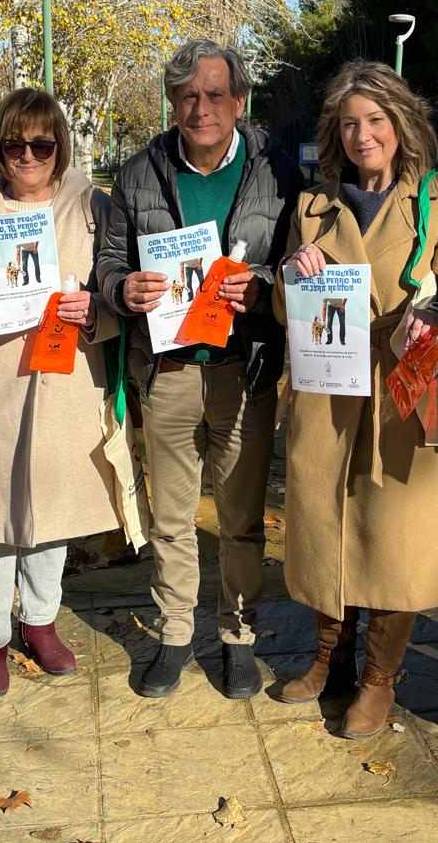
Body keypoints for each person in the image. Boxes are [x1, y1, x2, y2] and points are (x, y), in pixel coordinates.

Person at [274, 61, 438, 737]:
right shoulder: (311, 207)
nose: (364, 135)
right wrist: (290, 275)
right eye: (350, 123)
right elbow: (282, 309)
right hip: (327, 387)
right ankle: (328, 659)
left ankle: (379, 679)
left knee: (396, 538)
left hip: (404, 384)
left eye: (376, 120)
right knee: (325, 521)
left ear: (401, 124)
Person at [95, 38, 302, 699]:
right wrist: (121, 290)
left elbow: (304, 259)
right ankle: (175, 633)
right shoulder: (138, 173)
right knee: (172, 517)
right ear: (172, 102)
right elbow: (110, 261)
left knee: (241, 519)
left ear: (239, 101)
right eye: (187, 95)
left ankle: (239, 634)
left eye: (215, 94)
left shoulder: (277, 170)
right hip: (168, 371)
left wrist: (265, 285)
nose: (201, 107)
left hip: (245, 367)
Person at [0, 88, 120, 696]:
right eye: (15, 144)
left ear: (60, 146)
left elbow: (114, 293)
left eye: (42, 144)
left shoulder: (92, 205)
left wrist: (94, 311)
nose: (28, 155)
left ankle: (39, 620)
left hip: (65, 380)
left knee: (53, 512)